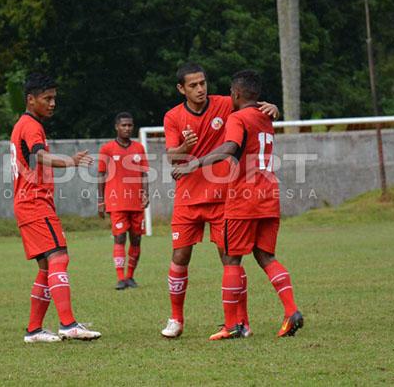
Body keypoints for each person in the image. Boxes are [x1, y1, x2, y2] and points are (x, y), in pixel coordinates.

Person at [173, 70, 303, 339]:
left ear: (234, 94)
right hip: (270, 195)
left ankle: (233, 325)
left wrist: (196, 163)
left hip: (244, 197)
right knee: (265, 256)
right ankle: (291, 311)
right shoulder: (265, 116)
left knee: (231, 258)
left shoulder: (237, 117)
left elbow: (230, 147)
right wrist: (272, 105)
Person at [11, 73, 102, 343]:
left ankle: (34, 330)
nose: (52, 103)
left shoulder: (23, 124)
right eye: (47, 98)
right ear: (31, 99)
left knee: (45, 267)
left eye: (54, 98)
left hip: (27, 203)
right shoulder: (31, 126)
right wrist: (71, 162)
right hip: (34, 203)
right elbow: (39, 155)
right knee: (59, 256)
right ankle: (68, 324)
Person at [97, 112, 149, 290]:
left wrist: (146, 194)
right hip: (116, 201)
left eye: (129, 125)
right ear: (116, 127)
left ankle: (130, 277)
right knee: (119, 237)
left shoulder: (139, 148)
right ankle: (120, 278)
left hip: (136, 202)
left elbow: (144, 173)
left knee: (136, 240)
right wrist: (100, 201)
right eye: (123, 125)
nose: (127, 128)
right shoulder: (107, 149)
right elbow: (101, 175)